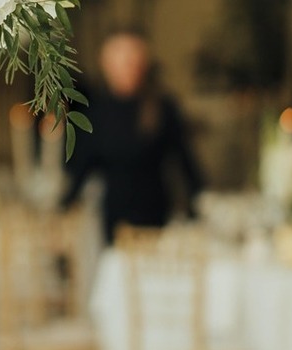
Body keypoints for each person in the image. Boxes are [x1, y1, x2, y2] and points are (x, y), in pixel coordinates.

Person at [62, 29, 205, 245]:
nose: (127, 66)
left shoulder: (162, 108)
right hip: (113, 216)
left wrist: (200, 208)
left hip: (155, 213)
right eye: (120, 59)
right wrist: (63, 206)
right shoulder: (95, 112)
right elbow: (83, 164)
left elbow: (184, 161)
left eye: (132, 59)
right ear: (106, 63)